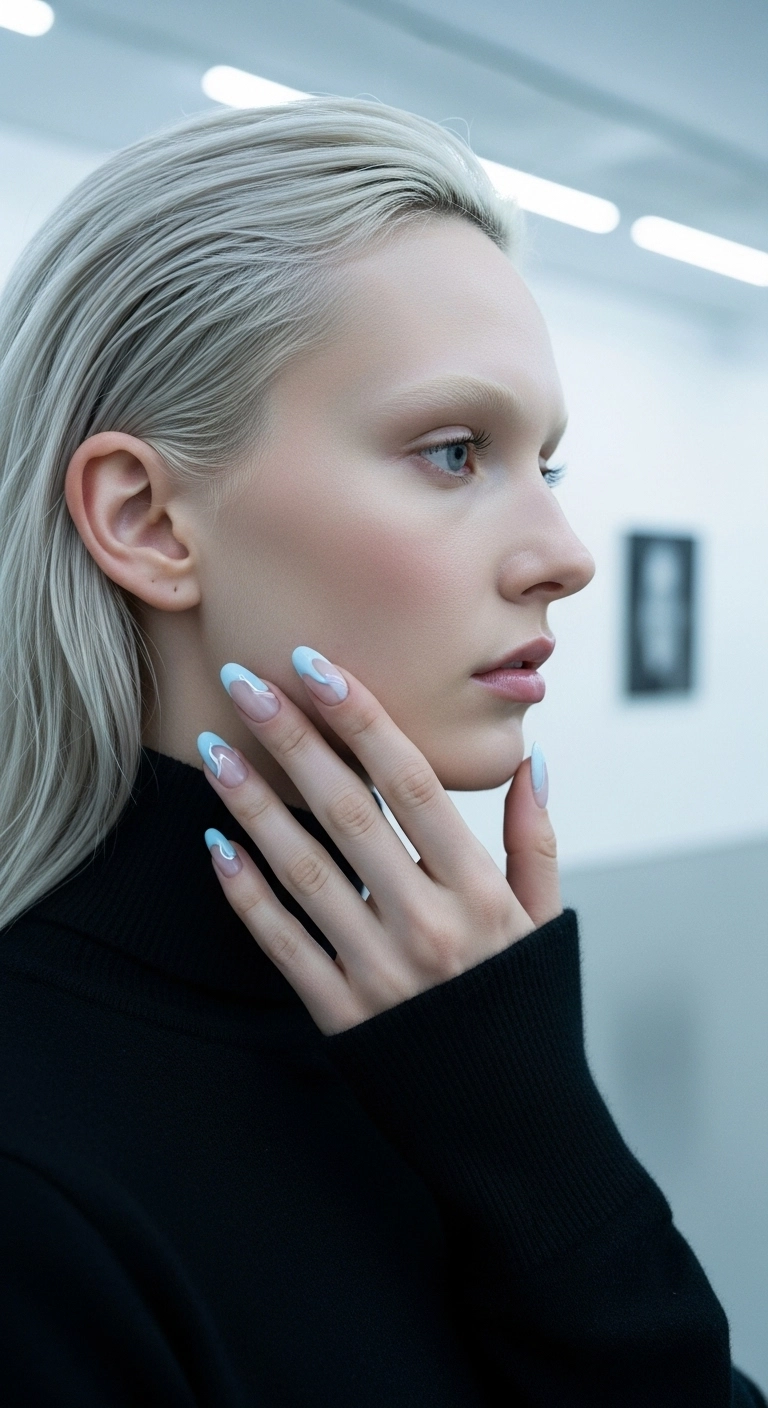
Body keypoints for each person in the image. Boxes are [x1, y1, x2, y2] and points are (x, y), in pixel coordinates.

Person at [0, 96, 762, 1406]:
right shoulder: (28, 1187)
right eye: (454, 451)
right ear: (146, 520)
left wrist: (543, 1148)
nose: (567, 559)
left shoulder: (444, 1051)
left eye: (550, 466)